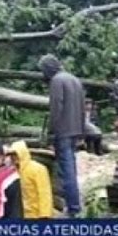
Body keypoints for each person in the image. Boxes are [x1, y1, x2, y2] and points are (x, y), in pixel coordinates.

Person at [38, 54, 85, 217]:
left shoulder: (57, 81)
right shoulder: (74, 79)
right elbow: (82, 107)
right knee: (70, 166)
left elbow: (56, 109)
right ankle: (74, 203)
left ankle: (73, 207)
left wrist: (51, 133)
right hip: (75, 129)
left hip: (63, 130)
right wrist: (81, 131)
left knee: (67, 169)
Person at [6, 140, 53, 219]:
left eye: (15, 154)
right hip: (21, 214)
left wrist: (45, 215)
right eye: (11, 155)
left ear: (22, 153)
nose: (13, 157)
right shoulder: (13, 171)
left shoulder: (38, 169)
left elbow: (44, 193)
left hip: (37, 215)